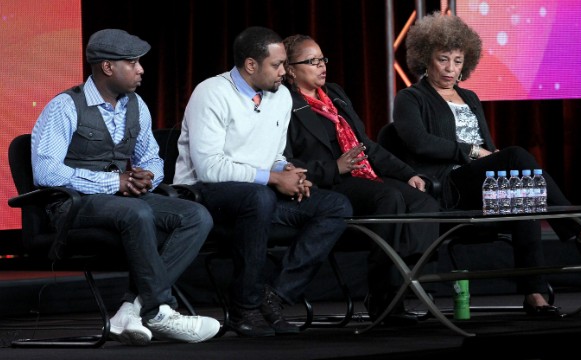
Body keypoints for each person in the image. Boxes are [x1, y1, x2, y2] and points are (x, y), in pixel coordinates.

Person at [392, 12, 581, 314]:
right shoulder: (411, 98)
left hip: (482, 184)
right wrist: (473, 153)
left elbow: (491, 151)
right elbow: (419, 142)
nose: (450, 68)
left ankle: (535, 295)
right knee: (517, 156)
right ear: (425, 57)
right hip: (449, 187)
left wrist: (489, 157)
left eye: (457, 60)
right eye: (443, 59)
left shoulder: (469, 97)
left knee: (526, 194)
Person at [31, 29, 220, 345]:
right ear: (108, 67)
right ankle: (160, 309)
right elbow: (47, 173)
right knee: (136, 213)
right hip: (72, 205)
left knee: (196, 216)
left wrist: (147, 177)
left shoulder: (136, 105)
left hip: (124, 201)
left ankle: (131, 310)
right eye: (132, 62)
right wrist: (112, 181)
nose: (141, 69)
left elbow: (151, 157)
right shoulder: (65, 106)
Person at [173, 26, 353, 337]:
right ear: (251, 65)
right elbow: (209, 169)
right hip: (204, 197)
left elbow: (274, 153)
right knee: (259, 198)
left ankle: (275, 297)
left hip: (258, 192)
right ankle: (245, 307)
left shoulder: (280, 96)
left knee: (334, 205)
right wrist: (273, 178)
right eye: (277, 65)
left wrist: (289, 172)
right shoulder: (212, 93)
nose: (285, 72)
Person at [281, 34, 440, 324]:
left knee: (423, 202)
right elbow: (286, 160)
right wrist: (335, 167)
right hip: (328, 182)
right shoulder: (283, 104)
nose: (321, 66)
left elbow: (365, 145)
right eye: (312, 61)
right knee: (388, 198)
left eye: (322, 59)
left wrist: (409, 174)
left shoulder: (335, 94)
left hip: (361, 174)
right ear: (290, 69)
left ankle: (401, 283)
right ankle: (382, 295)